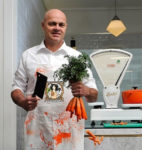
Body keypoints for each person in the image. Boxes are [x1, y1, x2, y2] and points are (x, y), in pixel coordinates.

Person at [11, 9, 98, 150]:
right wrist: (21, 101)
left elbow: (94, 96)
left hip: (69, 131)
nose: (57, 28)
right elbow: (16, 87)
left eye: (61, 24)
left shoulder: (77, 57)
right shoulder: (28, 55)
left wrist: (86, 90)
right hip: (37, 130)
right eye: (52, 24)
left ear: (65, 27)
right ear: (43, 25)